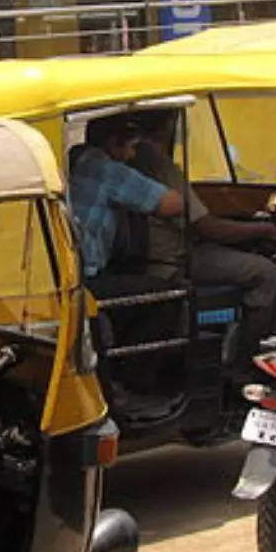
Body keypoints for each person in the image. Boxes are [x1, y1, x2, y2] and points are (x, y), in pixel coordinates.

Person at [130, 110, 276, 373]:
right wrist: (264, 230)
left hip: (156, 254)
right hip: (171, 259)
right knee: (264, 273)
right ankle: (249, 367)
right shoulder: (153, 159)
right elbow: (208, 227)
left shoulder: (117, 161)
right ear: (168, 124)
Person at [67, 114, 184, 403]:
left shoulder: (72, 160)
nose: (133, 156)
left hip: (74, 273)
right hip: (85, 279)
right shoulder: (106, 170)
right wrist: (156, 162)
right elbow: (172, 204)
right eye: (131, 147)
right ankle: (135, 383)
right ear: (113, 142)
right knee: (168, 295)